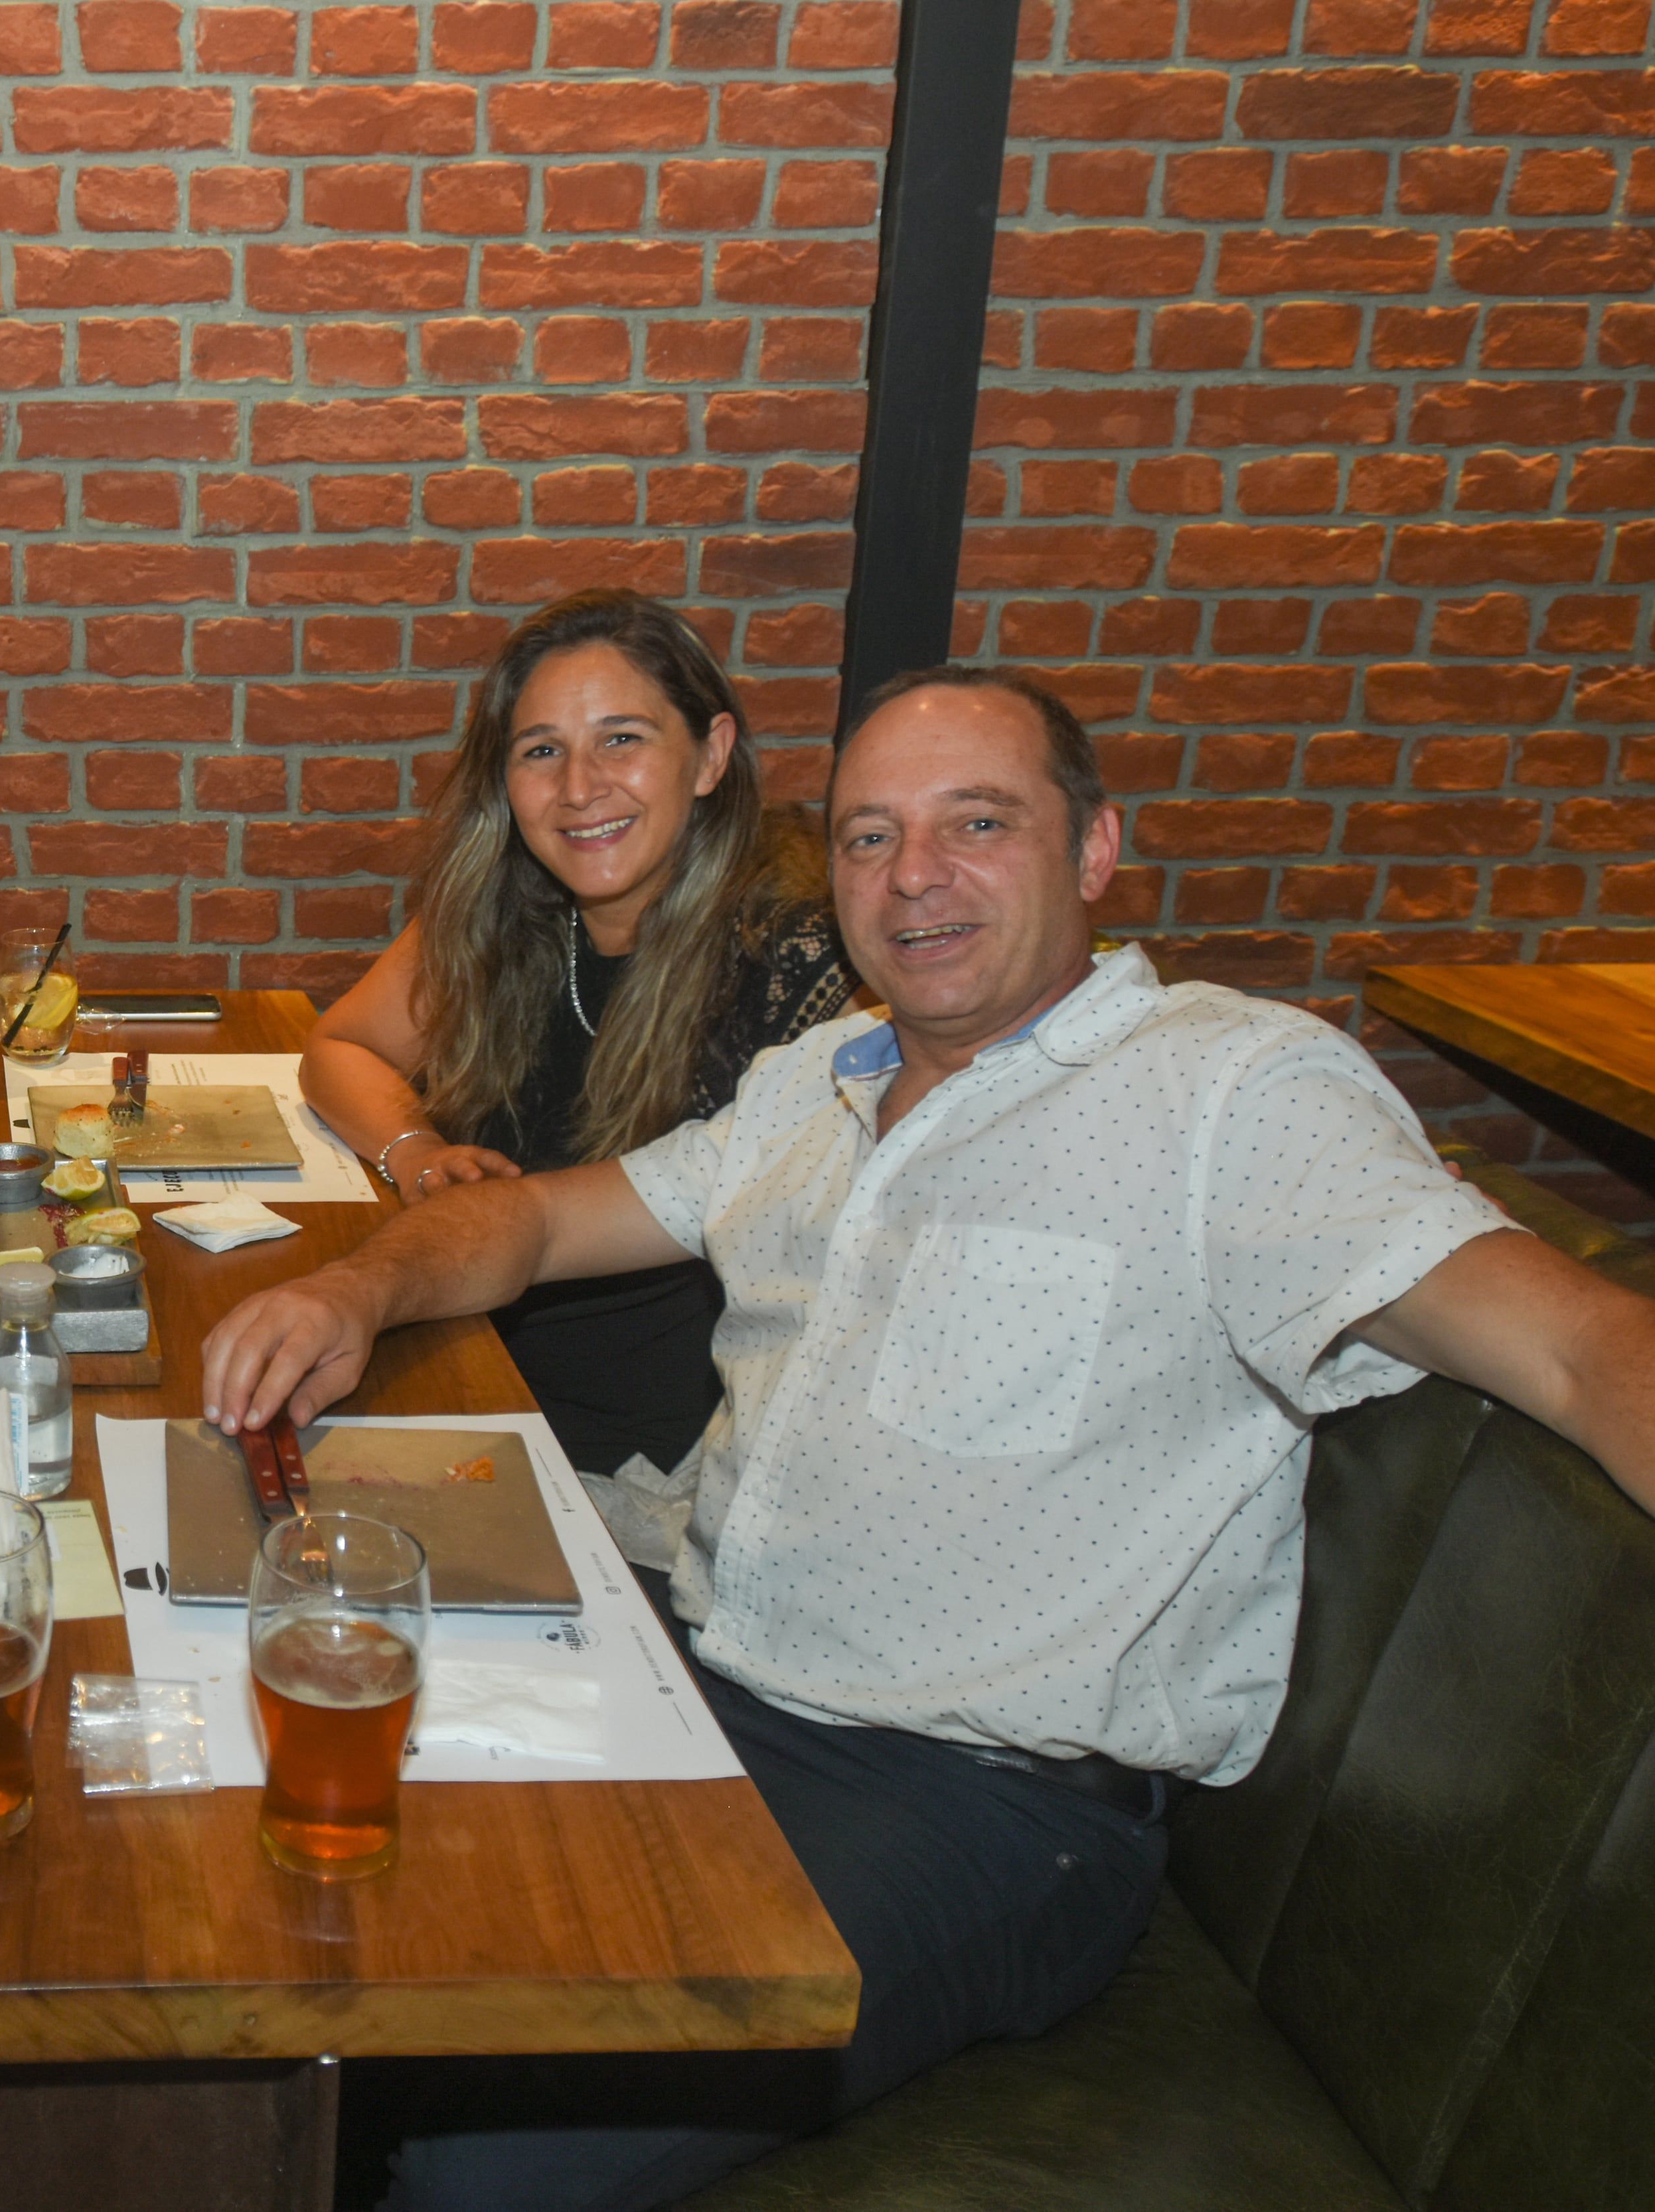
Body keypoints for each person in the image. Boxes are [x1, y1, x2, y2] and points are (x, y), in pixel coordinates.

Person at [205, 664, 1655, 2212]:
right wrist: (360, 1284)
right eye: (869, 838)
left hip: (979, 1799)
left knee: (468, 2161)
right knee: (268, 1900)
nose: (914, 879)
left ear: (1093, 850)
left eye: (977, 823)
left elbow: (1579, 1347)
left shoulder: (1229, 1090)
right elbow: (533, 1224)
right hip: (693, 1683)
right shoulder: (814, 1086)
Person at [299, 590, 852, 1480]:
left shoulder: (791, 962)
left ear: (710, 756)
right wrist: (416, 1147)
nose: (579, 786)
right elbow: (341, 1048)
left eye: (622, 739)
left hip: (633, 1466)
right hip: (458, 1372)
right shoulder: (505, 911)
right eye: (542, 750)